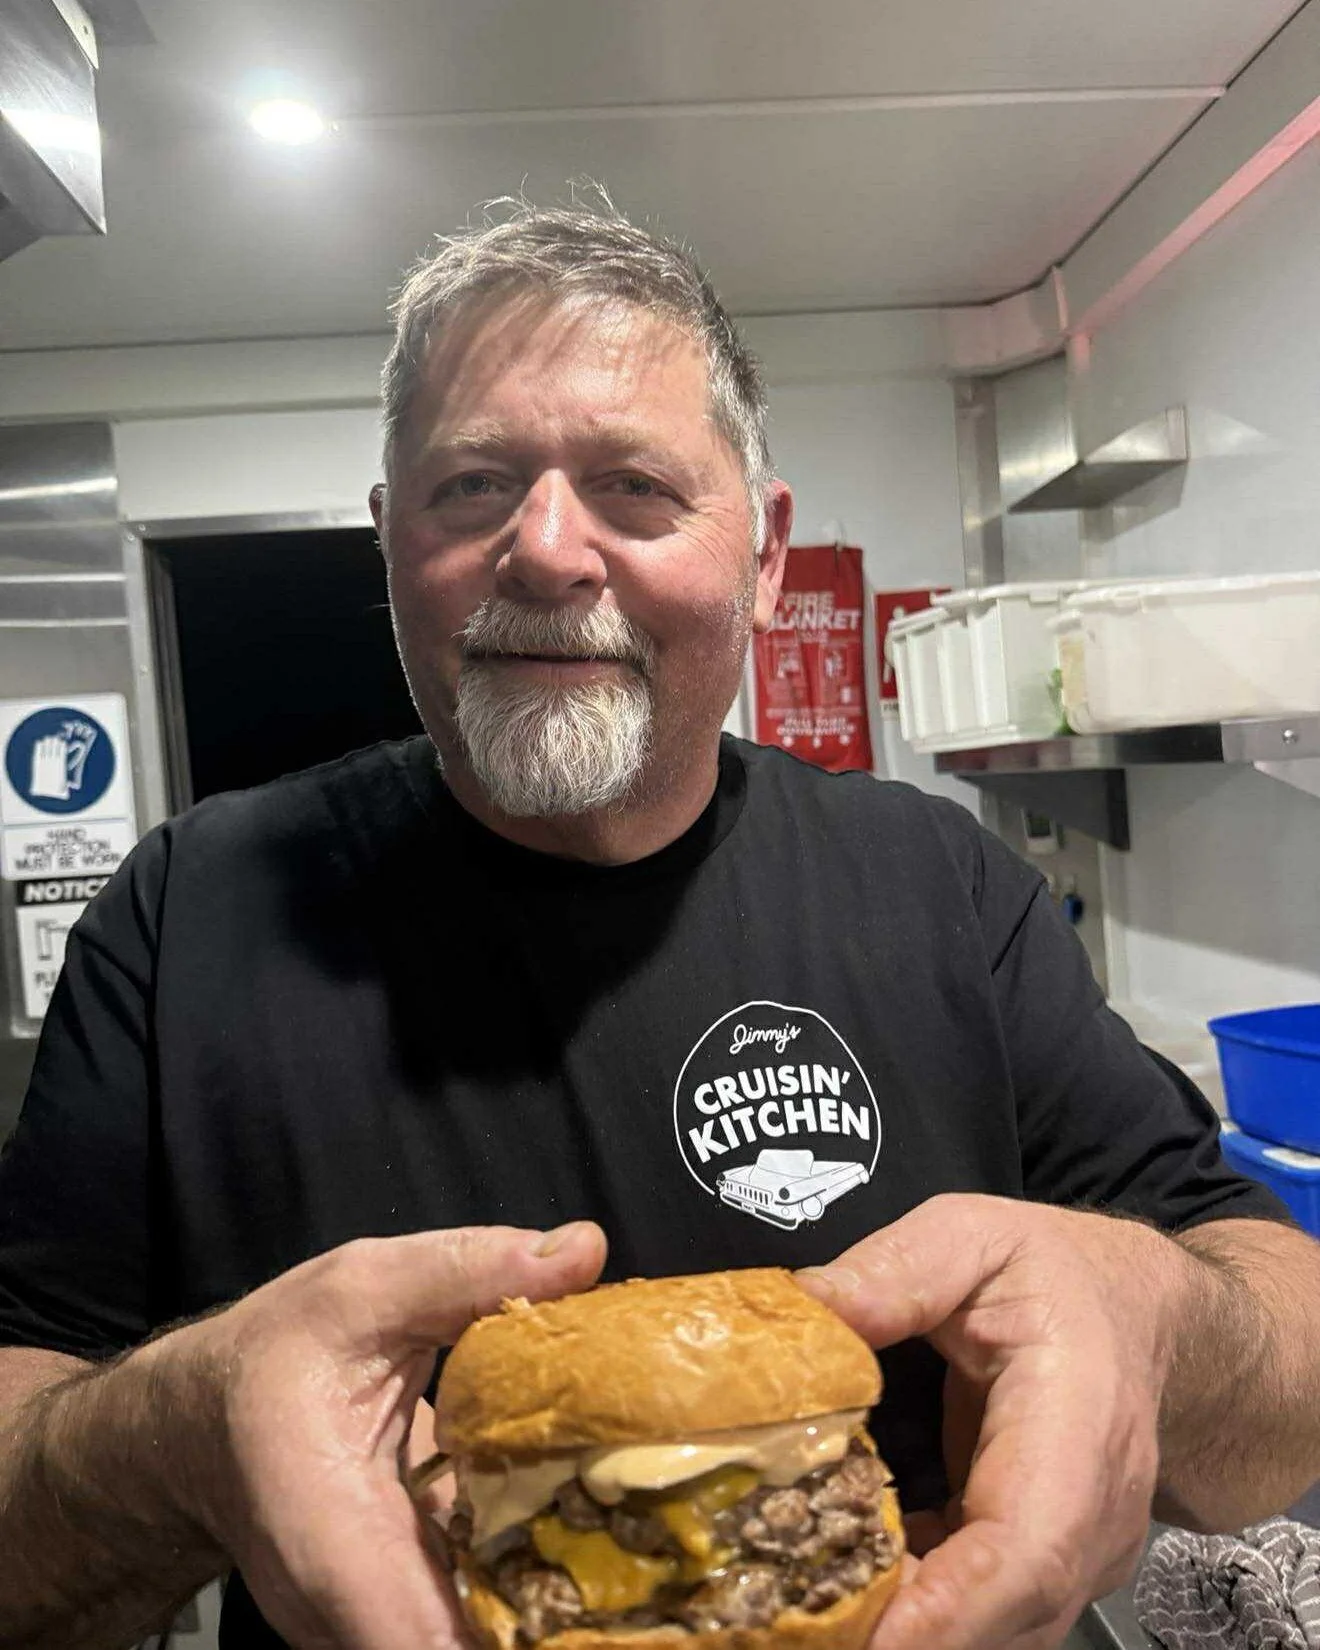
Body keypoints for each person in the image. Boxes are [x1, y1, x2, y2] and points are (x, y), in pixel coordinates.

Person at [1, 195, 1318, 1650]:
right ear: (388, 549)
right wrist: (181, 1428)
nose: (547, 551)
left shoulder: (941, 883)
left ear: (764, 555)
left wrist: (1147, 1312)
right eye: (471, 485)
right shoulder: (186, 912)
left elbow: (1288, 1365)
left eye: (633, 485)